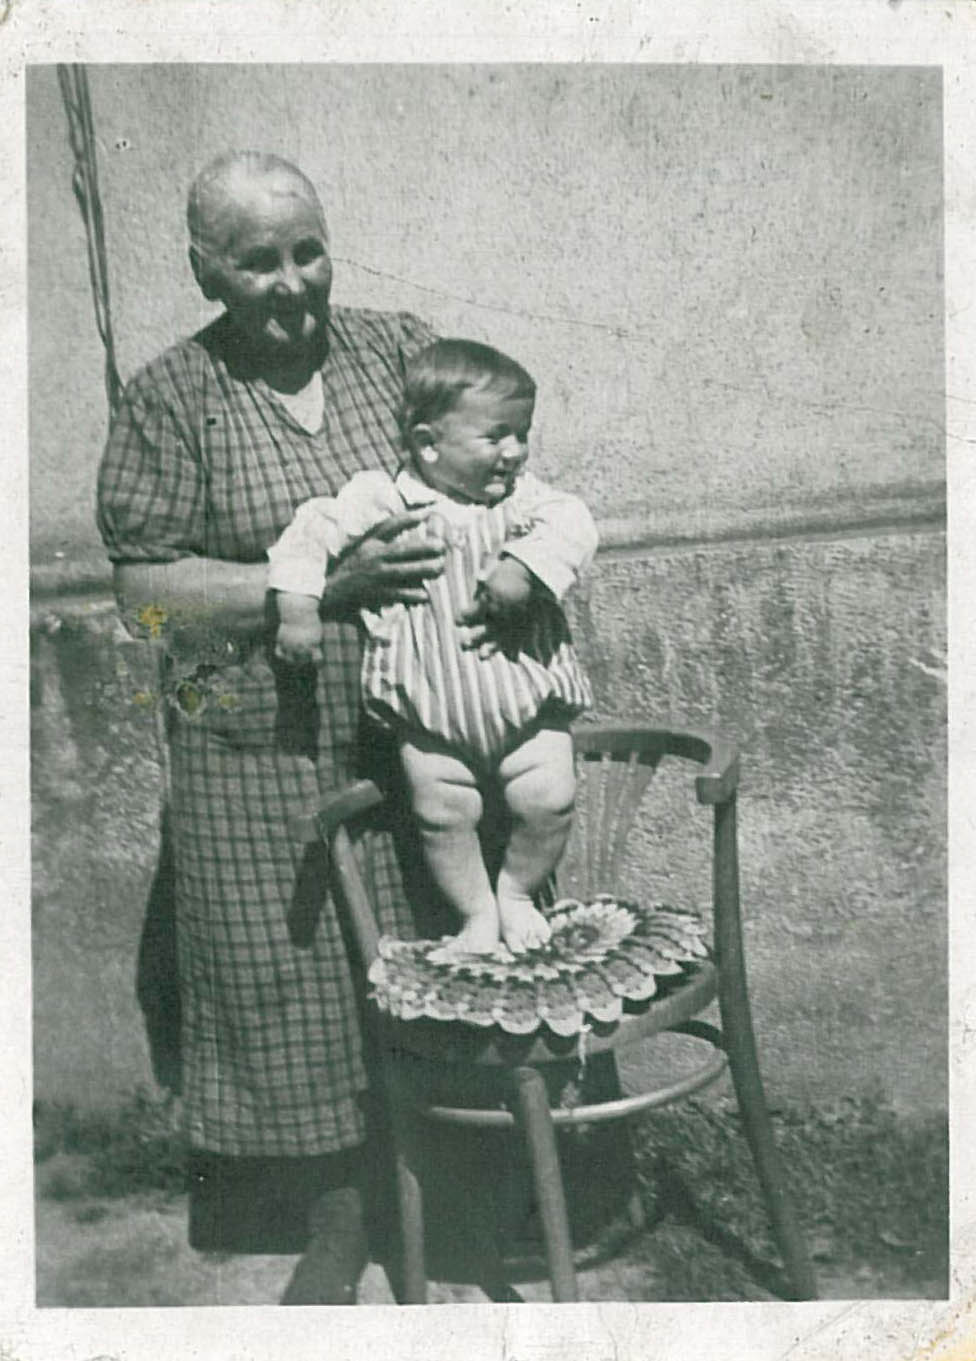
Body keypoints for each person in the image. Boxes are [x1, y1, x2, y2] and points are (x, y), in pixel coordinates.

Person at [96, 150, 449, 1305]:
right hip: (253, 739)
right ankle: (338, 1208)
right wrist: (315, 589)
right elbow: (142, 592)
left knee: (425, 937)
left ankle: (442, 1185)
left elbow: (482, 466)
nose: (292, 281)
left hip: (407, 711)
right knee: (294, 973)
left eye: (308, 250)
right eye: (258, 262)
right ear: (207, 271)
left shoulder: (399, 354)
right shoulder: (171, 398)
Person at [267, 338, 599, 956]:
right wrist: (298, 607)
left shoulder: (526, 500)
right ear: (427, 444)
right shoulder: (384, 498)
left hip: (527, 700)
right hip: (430, 711)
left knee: (550, 799)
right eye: (496, 436)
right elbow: (310, 532)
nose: (515, 452)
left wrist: (524, 568)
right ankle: (476, 912)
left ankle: (517, 892)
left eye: (522, 434)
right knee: (442, 817)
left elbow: (575, 523)